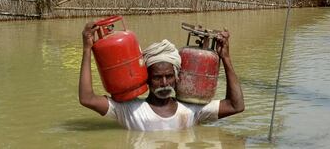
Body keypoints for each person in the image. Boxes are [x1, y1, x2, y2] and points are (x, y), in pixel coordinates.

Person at [78, 22, 244, 131]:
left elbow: (236, 106)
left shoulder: (193, 109)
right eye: (157, 77)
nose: (165, 83)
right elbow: (87, 98)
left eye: (169, 76)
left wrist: (226, 59)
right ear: (147, 78)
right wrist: (87, 49)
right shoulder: (130, 110)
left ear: (177, 77)